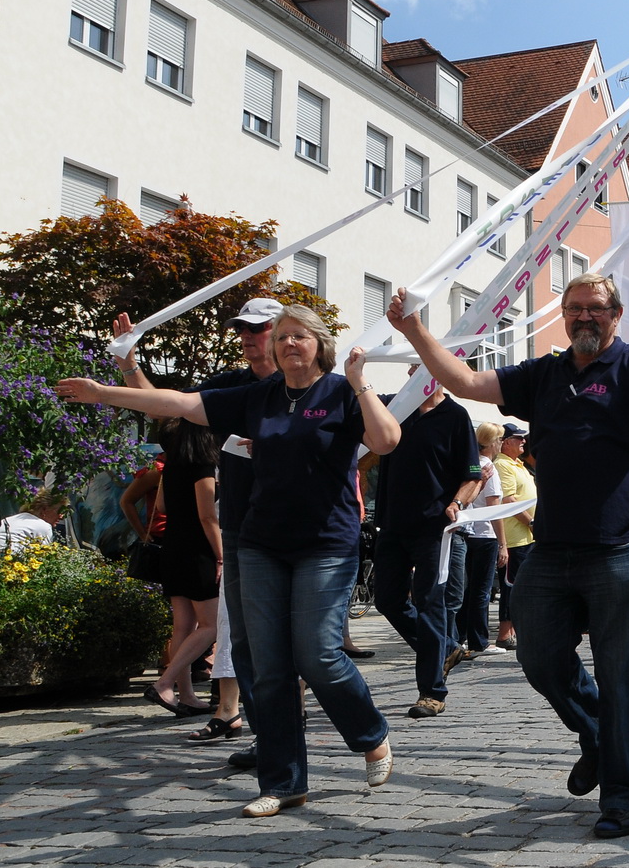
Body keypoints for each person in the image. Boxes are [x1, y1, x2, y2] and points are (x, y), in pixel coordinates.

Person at [390, 266, 629, 841]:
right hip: (552, 546)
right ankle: (602, 740)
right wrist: (414, 331)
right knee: (536, 656)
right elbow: (464, 381)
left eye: (596, 308)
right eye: (575, 307)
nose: (584, 316)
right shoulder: (544, 374)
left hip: (619, 548)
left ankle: (625, 797)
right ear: (565, 315)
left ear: (615, 315)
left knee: (620, 676)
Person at [58, 305, 400, 818]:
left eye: (297, 336)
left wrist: (359, 383)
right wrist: (106, 392)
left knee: (318, 654)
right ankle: (284, 783)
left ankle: (370, 734)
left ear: (320, 344)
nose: (287, 344)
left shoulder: (340, 392)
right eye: (282, 336)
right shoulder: (256, 396)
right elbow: (177, 402)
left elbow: (386, 440)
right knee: (266, 666)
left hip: (324, 544)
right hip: (260, 543)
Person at [112, 297, 281, 773]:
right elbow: (168, 407)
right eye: (242, 330)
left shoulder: (308, 385)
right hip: (244, 526)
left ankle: (298, 722)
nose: (249, 337)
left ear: (286, 330)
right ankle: (257, 726)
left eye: (259, 328)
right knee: (243, 640)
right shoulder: (231, 384)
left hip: (298, 527)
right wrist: (129, 367)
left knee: (301, 644)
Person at [371, 368, 481, 720]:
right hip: (391, 523)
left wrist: (457, 503)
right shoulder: (394, 408)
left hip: (435, 526)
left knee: (431, 602)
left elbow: (472, 475)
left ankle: (431, 692)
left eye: (426, 371)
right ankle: (446, 648)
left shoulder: (455, 416)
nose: (417, 379)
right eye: (413, 372)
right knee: (387, 600)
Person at [144, 419, 222, 717]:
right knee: (211, 624)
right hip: (198, 549)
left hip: (173, 546)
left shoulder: (170, 467)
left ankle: (186, 695)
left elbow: (162, 506)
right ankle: (164, 683)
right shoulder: (201, 465)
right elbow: (207, 517)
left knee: (183, 626)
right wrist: (220, 554)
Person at [460, 423, 507, 655]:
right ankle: (479, 640)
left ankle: (461, 636)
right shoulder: (489, 468)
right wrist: (503, 543)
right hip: (485, 534)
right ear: (492, 442)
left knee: (466, 589)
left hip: (466, 532)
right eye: (500, 440)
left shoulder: (470, 463)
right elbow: (494, 509)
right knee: (481, 590)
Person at [492, 424, 535, 650]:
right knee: (510, 585)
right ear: (506, 441)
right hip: (514, 536)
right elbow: (508, 501)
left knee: (520, 585)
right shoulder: (502, 465)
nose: (523, 442)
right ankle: (504, 633)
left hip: (525, 537)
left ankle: (515, 630)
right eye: (518, 438)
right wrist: (531, 522)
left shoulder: (518, 465)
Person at [0, 489, 66, 549]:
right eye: (59, 511)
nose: (61, 516)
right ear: (44, 509)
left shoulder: (13, 520)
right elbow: (44, 558)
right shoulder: (43, 526)